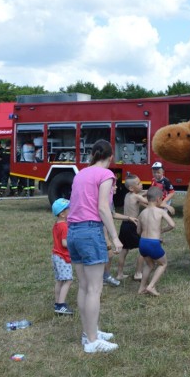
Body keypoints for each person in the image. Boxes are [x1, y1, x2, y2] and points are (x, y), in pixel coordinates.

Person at [67, 139, 123, 353]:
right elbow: (102, 208)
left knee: (84, 287)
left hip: (73, 232)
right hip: (90, 231)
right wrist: (115, 236)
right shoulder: (106, 175)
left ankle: (90, 332)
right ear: (110, 157)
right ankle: (92, 341)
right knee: (94, 289)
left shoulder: (81, 173)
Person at [137, 187, 175, 296]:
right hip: (153, 243)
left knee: (149, 265)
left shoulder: (142, 213)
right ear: (158, 199)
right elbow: (172, 225)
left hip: (142, 243)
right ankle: (151, 286)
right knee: (163, 264)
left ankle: (141, 288)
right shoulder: (160, 212)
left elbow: (138, 231)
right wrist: (162, 230)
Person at [116, 174, 148, 281]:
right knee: (143, 249)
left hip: (124, 225)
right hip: (132, 225)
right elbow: (149, 202)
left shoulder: (127, 195)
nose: (141, 184)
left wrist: (146, 191)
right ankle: (138, 273)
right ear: (131, 188)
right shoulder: (137, 196)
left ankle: (119, 274)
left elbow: (141, 193)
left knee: (124, 250)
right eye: (138, 183)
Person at [51, 198, 74, 315]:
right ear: (62, 214)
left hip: (56, 255)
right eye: (69, 209)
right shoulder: (64, 226)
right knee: (68, 280)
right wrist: (74, 242)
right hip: (63, 257)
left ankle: (57, 303)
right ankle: (61, 305)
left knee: (60, 280)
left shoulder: (57, 224)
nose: (71, 210)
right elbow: (65, 243)